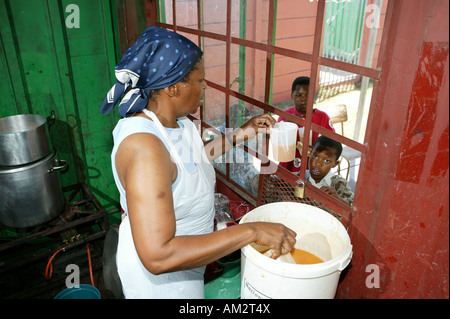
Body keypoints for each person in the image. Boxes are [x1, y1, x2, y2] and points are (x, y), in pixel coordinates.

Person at [100, 26, 296, 299]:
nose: (205, 86)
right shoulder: (145, 149)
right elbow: (158, 256)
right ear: (172, 87)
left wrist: (242, 133)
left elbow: (189, 161)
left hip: (187, 269)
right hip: (161, 286)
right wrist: (251, 232)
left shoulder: (176, 122)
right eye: (199, 79)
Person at [277, 76, 335, 173]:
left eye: (307, 95)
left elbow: (332, 142)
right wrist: (286, 125)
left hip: (313, 166)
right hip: (288, 165)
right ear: (292, 96)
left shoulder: (322, 117)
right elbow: (278, 142)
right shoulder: (285, 116)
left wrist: (318, 149)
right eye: (299, 95)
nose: (303, 99)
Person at [305, 136, 354, 205]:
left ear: (335, 164)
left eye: (326, 160)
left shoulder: (338, 184)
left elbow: (354, 207)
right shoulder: (301, 176)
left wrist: (338, 200)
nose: (318, 163)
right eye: (315, 156)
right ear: (310, 153)